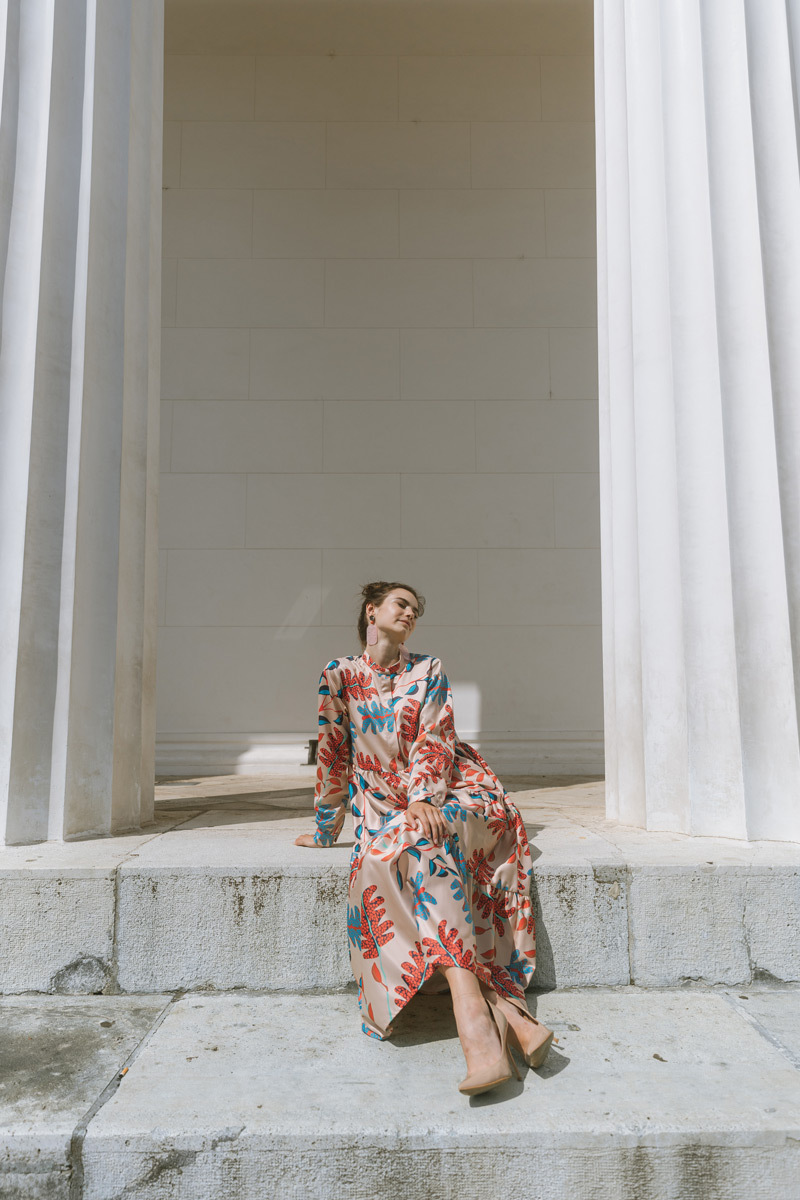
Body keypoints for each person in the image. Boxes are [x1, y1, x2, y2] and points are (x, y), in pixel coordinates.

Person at [295, 580, 554, 1096]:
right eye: (401, 604)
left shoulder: (427, 669)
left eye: (416, 609)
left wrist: (424, 799)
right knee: (394, 855)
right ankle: (500, 1014)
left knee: (419, 840)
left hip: (457, 793)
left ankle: (475, 1025)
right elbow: (332, 756)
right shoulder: (339, 675)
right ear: (372, 611)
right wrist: (327, 828)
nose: (411, 613)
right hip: (387, 810)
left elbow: (436, 740)